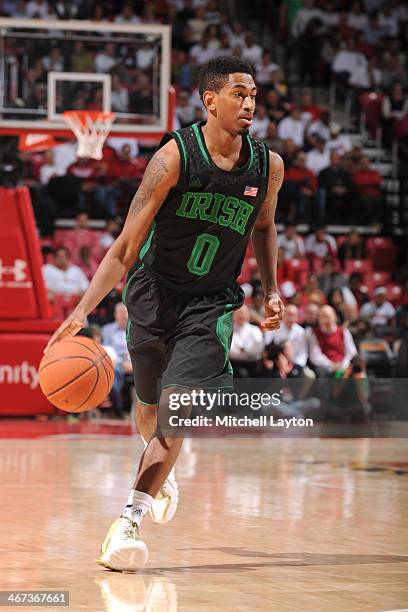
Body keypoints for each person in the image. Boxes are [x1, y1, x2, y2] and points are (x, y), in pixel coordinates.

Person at [45, 57, 285, 572]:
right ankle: (161, 468)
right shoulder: (175, 157)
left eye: (253, 95)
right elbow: (126, 246)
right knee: (150, 410)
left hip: (211, 304)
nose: (249, 104)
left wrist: (271, 289)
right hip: (153, 294)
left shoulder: (269, 166)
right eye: (239, 94)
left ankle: (127, 521)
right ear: (210, 100)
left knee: (176, 414)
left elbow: (264, 226)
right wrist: (82, 311)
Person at [309, 305, 357, 376]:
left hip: (343, 364)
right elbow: (315, 355)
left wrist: (343, 365)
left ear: (335, 317)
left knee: (357, 373)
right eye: (323, 317)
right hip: (325, 366)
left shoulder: (344, 332)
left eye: (328, 316)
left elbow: (351, 352)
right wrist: (331, 365)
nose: (326, 320)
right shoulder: (314, 333)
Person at [229, 305, 264, 377]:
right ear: (233, 315)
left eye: (244, 313)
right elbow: (231, 351)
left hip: (254, 363)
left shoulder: (255, 329)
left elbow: (259, 347)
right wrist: (247, 352)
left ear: (248, 314)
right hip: (235, 364)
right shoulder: (228, 331)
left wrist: (245, 350)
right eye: (239, 313)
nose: (241, 316)